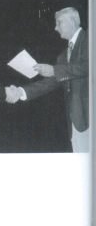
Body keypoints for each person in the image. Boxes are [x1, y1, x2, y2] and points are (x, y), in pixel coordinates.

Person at [17, 8, 89, 152]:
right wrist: (21, 92)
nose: (55, 28)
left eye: (59, 23)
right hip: (76, 122)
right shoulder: (63, 55)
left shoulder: (90, 39)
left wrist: (54, 70)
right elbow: (53, 81)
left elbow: (89, 66)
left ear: (72, 21)